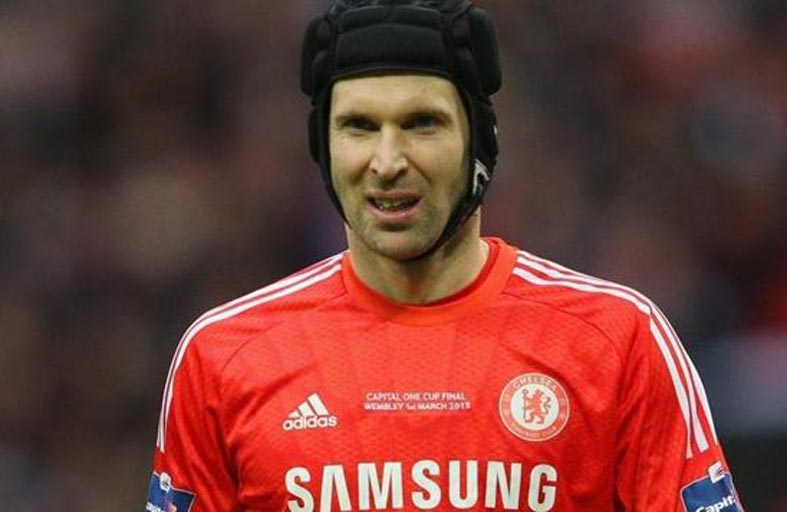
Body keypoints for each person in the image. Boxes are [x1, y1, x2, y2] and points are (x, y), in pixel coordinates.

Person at [146, 1, 743, 510]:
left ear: (480, 143)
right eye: (358, 126)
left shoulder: (618, 340)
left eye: (421, 123)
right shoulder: (222, 356)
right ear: (322, 148)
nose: (387, 162)